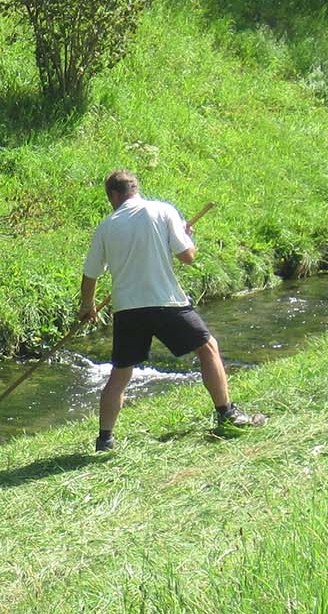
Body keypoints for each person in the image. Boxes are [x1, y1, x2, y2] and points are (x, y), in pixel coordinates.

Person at [80, 170, 264, 452]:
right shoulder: (163, 211)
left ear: (114, 195)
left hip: (128, 309)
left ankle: (105, 440)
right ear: (135, 189)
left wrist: (88, 306)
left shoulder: (107, 225)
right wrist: (187, 237)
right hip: (166, 303)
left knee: (120, 373)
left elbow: (91, 273)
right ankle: (226, 413)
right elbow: (187, 256)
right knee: (208, 349)